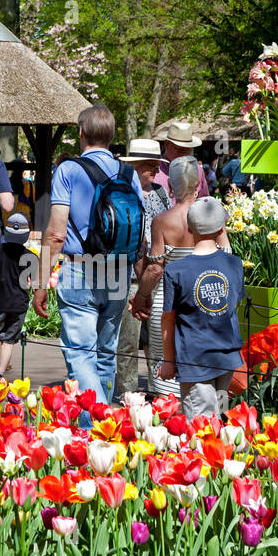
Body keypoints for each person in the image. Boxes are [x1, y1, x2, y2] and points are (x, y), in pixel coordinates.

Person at [33, 104, 147, 404]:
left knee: (81, 356)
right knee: (106, 354)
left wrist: (41, 282)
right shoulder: (128, 174)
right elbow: (138, 231)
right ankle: (105, 425)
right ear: (111, 135)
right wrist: (141, 282)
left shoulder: (69, 170)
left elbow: (56, 233)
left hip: (81, 270)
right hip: (119, 273)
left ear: (81, 133)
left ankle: (93, 426)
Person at [131, 156, 227, 396]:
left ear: (171, 187)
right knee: (202, 375)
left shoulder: (162, 221)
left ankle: (167, 424)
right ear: (197, 185)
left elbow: (155, 268)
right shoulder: (213, 214)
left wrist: (141, 296)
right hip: (206, 300)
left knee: (165, 369)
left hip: (167, 303)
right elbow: (227, 254)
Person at [159, 197, 245, 417]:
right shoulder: (234, 264)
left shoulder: (176, 270)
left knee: (201, 426)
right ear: (221, 228)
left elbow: (168, 318)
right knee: (219, 419)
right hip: (227, 357)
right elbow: (233, 302)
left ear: (189, 227)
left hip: (194, 360)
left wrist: (168, 360)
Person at [115, 139, 172, 399]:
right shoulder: (122, 192)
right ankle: (127, 392)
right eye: (149, 165)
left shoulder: (161, 193)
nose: (154, 170)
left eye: (156, 165)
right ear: (134, 166)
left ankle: (156, 389)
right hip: (129, 275)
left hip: (157, 274)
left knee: (156, 340)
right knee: (128, 339)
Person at [0, 213, 33, 375]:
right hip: (19, 304)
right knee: (9, 341)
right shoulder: (30, 257)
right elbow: (34, 284)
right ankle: (1, 372)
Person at [155, 120, 210, 199]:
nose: (183, 154)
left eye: (187, 149)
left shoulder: (197, 170)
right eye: (179, 149)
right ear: (167, 145)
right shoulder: (154, 170)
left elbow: (204, 200)